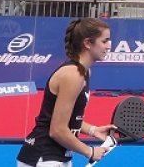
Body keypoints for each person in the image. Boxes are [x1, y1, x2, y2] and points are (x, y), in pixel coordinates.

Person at [17, 17, 116, 167]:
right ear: (88, 43)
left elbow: (66, 119)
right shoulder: (73, 74)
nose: (109, 46)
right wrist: (89, 152)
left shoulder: (84, 72)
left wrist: (93, 130)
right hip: (43, 156)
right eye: (104, 41)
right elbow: (57, 130)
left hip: (58, 156)